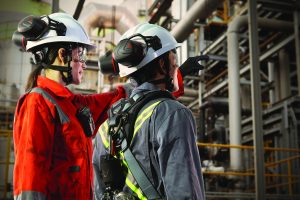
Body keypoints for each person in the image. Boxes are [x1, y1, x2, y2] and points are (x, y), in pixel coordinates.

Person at [12, 13, 127, 200]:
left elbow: (118, 98)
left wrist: (170, 80)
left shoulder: (71, 104)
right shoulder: (37, 103)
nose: (83, 63)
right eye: (80, 55)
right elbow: (30, 181)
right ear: (62, 54)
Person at [93, 23, 205, 200]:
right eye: (172, 58)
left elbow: (98, 193)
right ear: (162, 64)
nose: (176, 64)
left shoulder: (106, 127)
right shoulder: (173, 114)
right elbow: (184, 192)